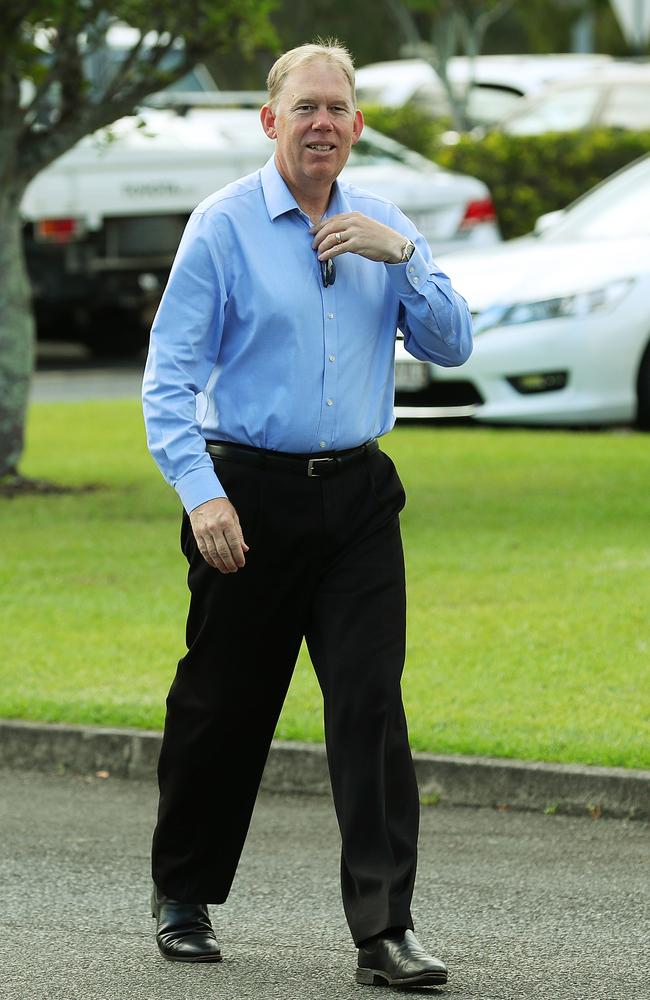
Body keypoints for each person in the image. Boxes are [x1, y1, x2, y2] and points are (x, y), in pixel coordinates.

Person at [142, 39, 472, 989]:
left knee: (370, 705)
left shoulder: (385, 222)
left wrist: (402, 255)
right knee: (223, 704)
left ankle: (385, 930)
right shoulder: (224, 227)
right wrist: (202, 493)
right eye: (305, 109)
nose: (321, 123)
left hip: (360, 500)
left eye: (337, 109)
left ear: (357, 125)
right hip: (247, 495)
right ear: (270, 121)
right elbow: (167, 382)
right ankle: (184, 896)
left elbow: (452, 342)